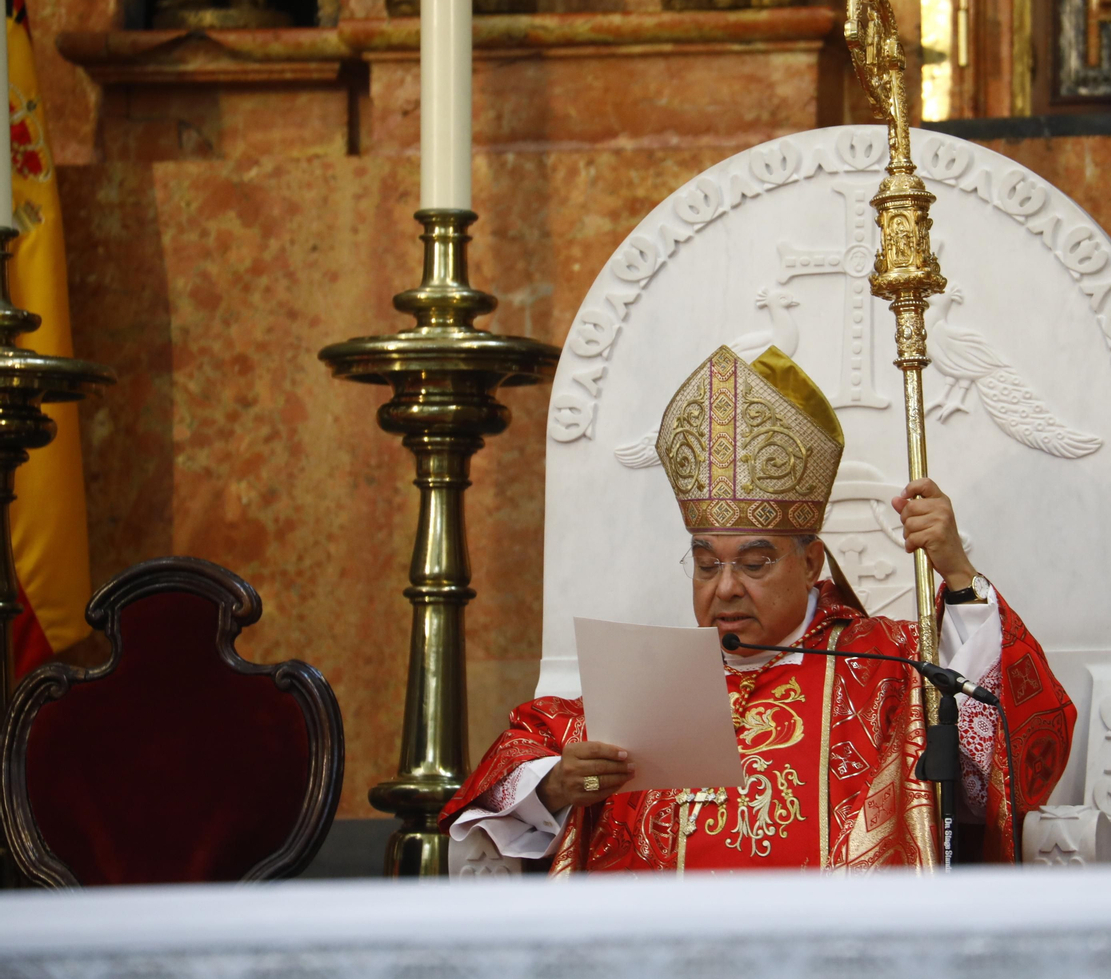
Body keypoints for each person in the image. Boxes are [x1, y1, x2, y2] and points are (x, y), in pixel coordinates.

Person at [441, 345, 1076, 871]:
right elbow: (516, 753)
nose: (724, 589)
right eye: (706, 564)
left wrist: (958, 576)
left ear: (811, 562)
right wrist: (556, 783)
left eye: (753, 563)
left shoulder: (888, 665)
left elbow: (1012, 757)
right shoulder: (652, 681)